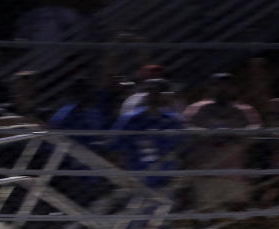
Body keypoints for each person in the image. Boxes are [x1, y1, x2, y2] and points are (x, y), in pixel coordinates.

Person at [183, 72, 262, 210]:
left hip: (235, 173)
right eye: (218, 85)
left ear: (234, 88)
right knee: (208, 214)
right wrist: (206, 133)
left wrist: (235, 134)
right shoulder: (197, 109)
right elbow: (186, 128)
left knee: (236, 215)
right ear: (211, 88)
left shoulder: (244, 110)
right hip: (207, 172)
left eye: (227, 86)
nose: (223, 89)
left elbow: (255, 129)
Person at [110, 78, 185, 191]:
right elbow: (116, 149)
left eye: (158, 92)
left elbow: (182, 147)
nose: (153, 95)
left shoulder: (172, 120)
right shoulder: (131, 118)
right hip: (136, 179)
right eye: (151, 92)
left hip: (166, 181)